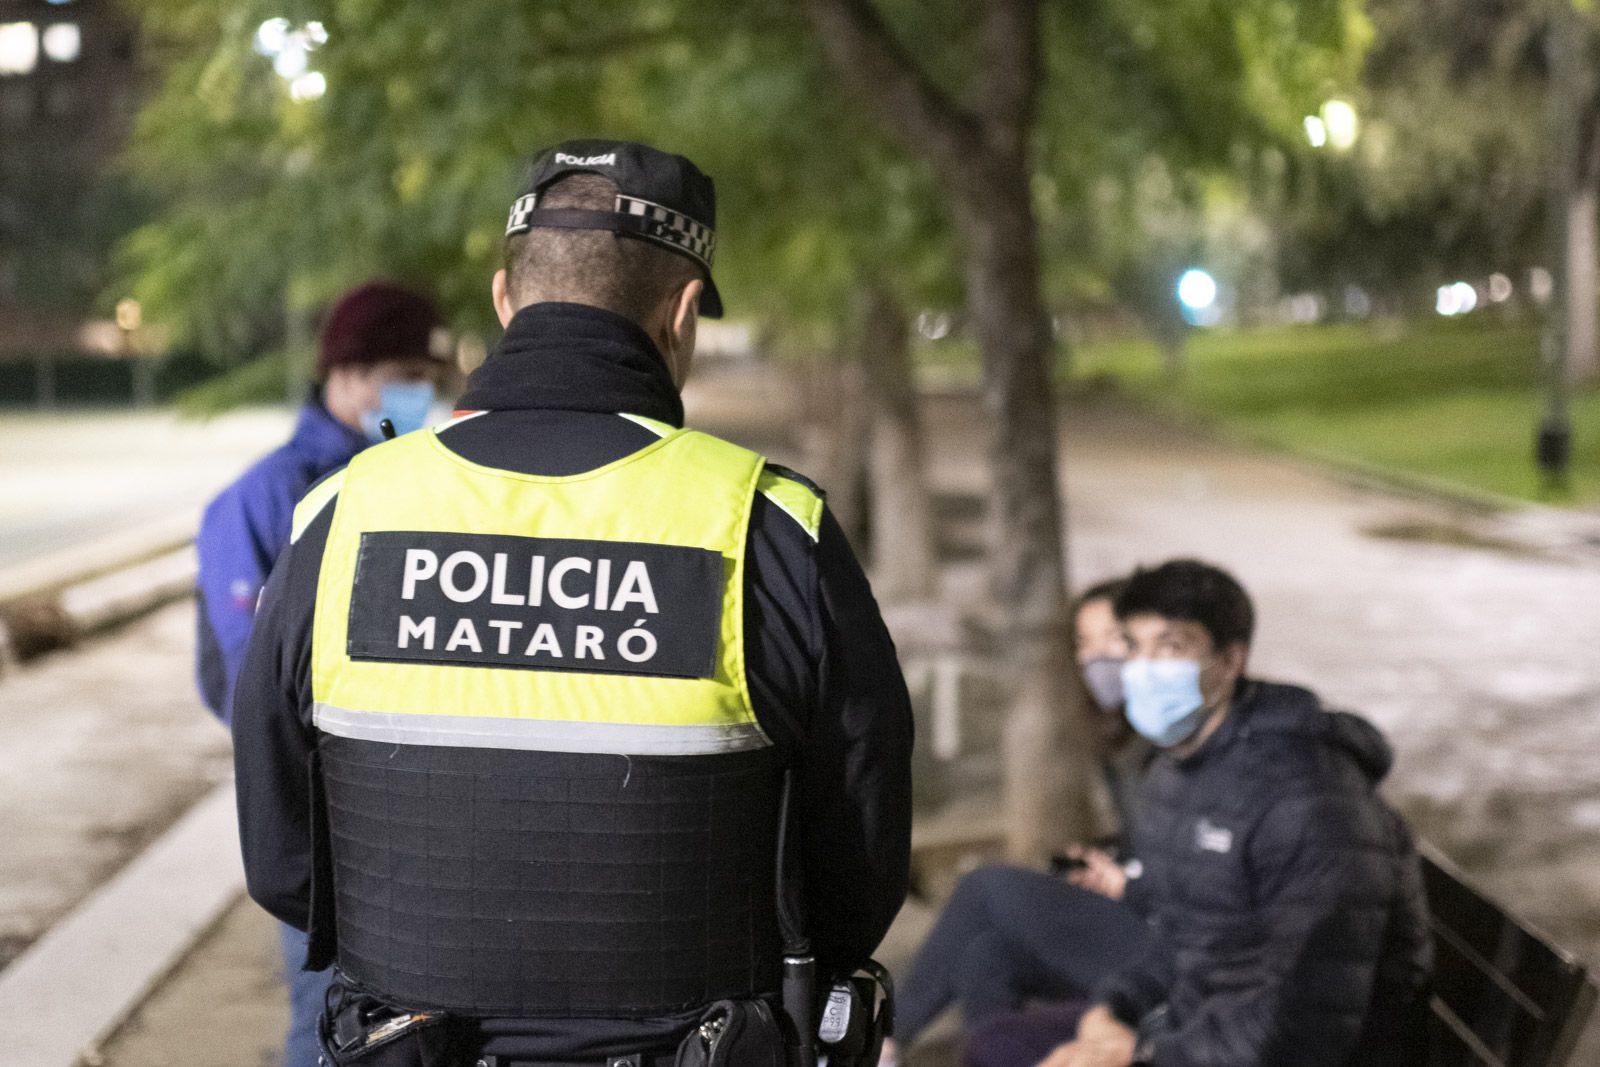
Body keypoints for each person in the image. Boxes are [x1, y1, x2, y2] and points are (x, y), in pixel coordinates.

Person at [230, 140, 913, 1066]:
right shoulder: (768, 523)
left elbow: (283, 861)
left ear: (507, 302)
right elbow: (859, 869)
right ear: (681, 316)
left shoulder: (345, 511)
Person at [1025, 559, 1432, 1067]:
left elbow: (1306, 1023)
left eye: (1171, 647)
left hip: (1296, 1052)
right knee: (1005, 1039)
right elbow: (1185, 935)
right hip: (1200, 1029)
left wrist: (1144, 1053)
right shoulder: (1179, 770)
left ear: (1230, 660)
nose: (1144, 668)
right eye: (1133, 646)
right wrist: (1114, 1008)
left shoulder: (1311, 801)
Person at [194, 281, 445, 1067]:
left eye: (429, 372)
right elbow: (248, 681)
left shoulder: (422, 475)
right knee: (330, 1020)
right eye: (405, 369)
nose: (422, 390)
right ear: (349, 370)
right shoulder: (266, 496)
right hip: (325, 811)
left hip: (429, 803)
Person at [888, 579, 1155, 1059]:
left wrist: (1130, 883)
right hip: (1139, 917)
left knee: (986, 888)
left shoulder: (1177, 744)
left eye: (1113, 640)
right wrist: (1111, 862)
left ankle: (885, 1043)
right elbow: (1152, 847)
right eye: (1084, 644)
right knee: (984, 956)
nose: (1098, 659)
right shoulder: (1123, 740)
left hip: (1176, 952)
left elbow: (1208, 881)